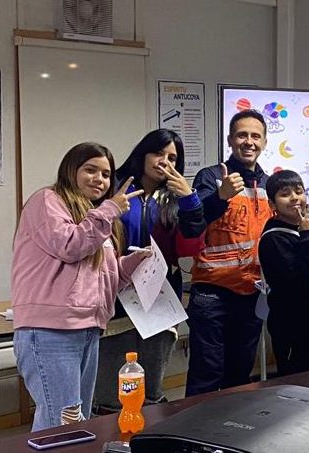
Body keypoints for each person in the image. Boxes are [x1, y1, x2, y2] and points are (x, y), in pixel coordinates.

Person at [11, 142, 151, 431]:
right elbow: (70, 246)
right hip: (51, 330)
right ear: (71, 170)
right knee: (60, 423)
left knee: (76, 421)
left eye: (105, 174)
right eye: (90, 170)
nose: (99, 179)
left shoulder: (97, 217)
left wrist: (133, 262)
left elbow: (103, 276)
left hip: (88, 327)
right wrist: (110, 210)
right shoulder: (48, 201)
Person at [93, 129, 205, 415]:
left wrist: (190, 200)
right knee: (110, 387)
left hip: (159, 294)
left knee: (151, 387)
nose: (164, 162)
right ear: (143, 153)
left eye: (172, 158)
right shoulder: (115, 188)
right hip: (115, 294)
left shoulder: (175, 199)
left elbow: (190, 246)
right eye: (158, 153)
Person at [185, 109, 274, 395]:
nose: (249, 141)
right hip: (213, 293)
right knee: (206, 374)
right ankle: (193, 437)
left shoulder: (269, 183)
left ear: (264, 142)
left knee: (239, 375)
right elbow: (191, 224)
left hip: (251, 294)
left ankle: (230, 437)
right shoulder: (211, 176)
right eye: (242, 135)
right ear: (230, 140)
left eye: (255, 136)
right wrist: (219, 196)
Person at [258, 170, 309, 376]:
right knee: (300, 387)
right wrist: (308, 236)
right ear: (273, 204)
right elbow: (300, 281)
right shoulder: (273, 238)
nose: (294, 197)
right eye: (285, 193)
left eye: (299, 191)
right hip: (294, 327)